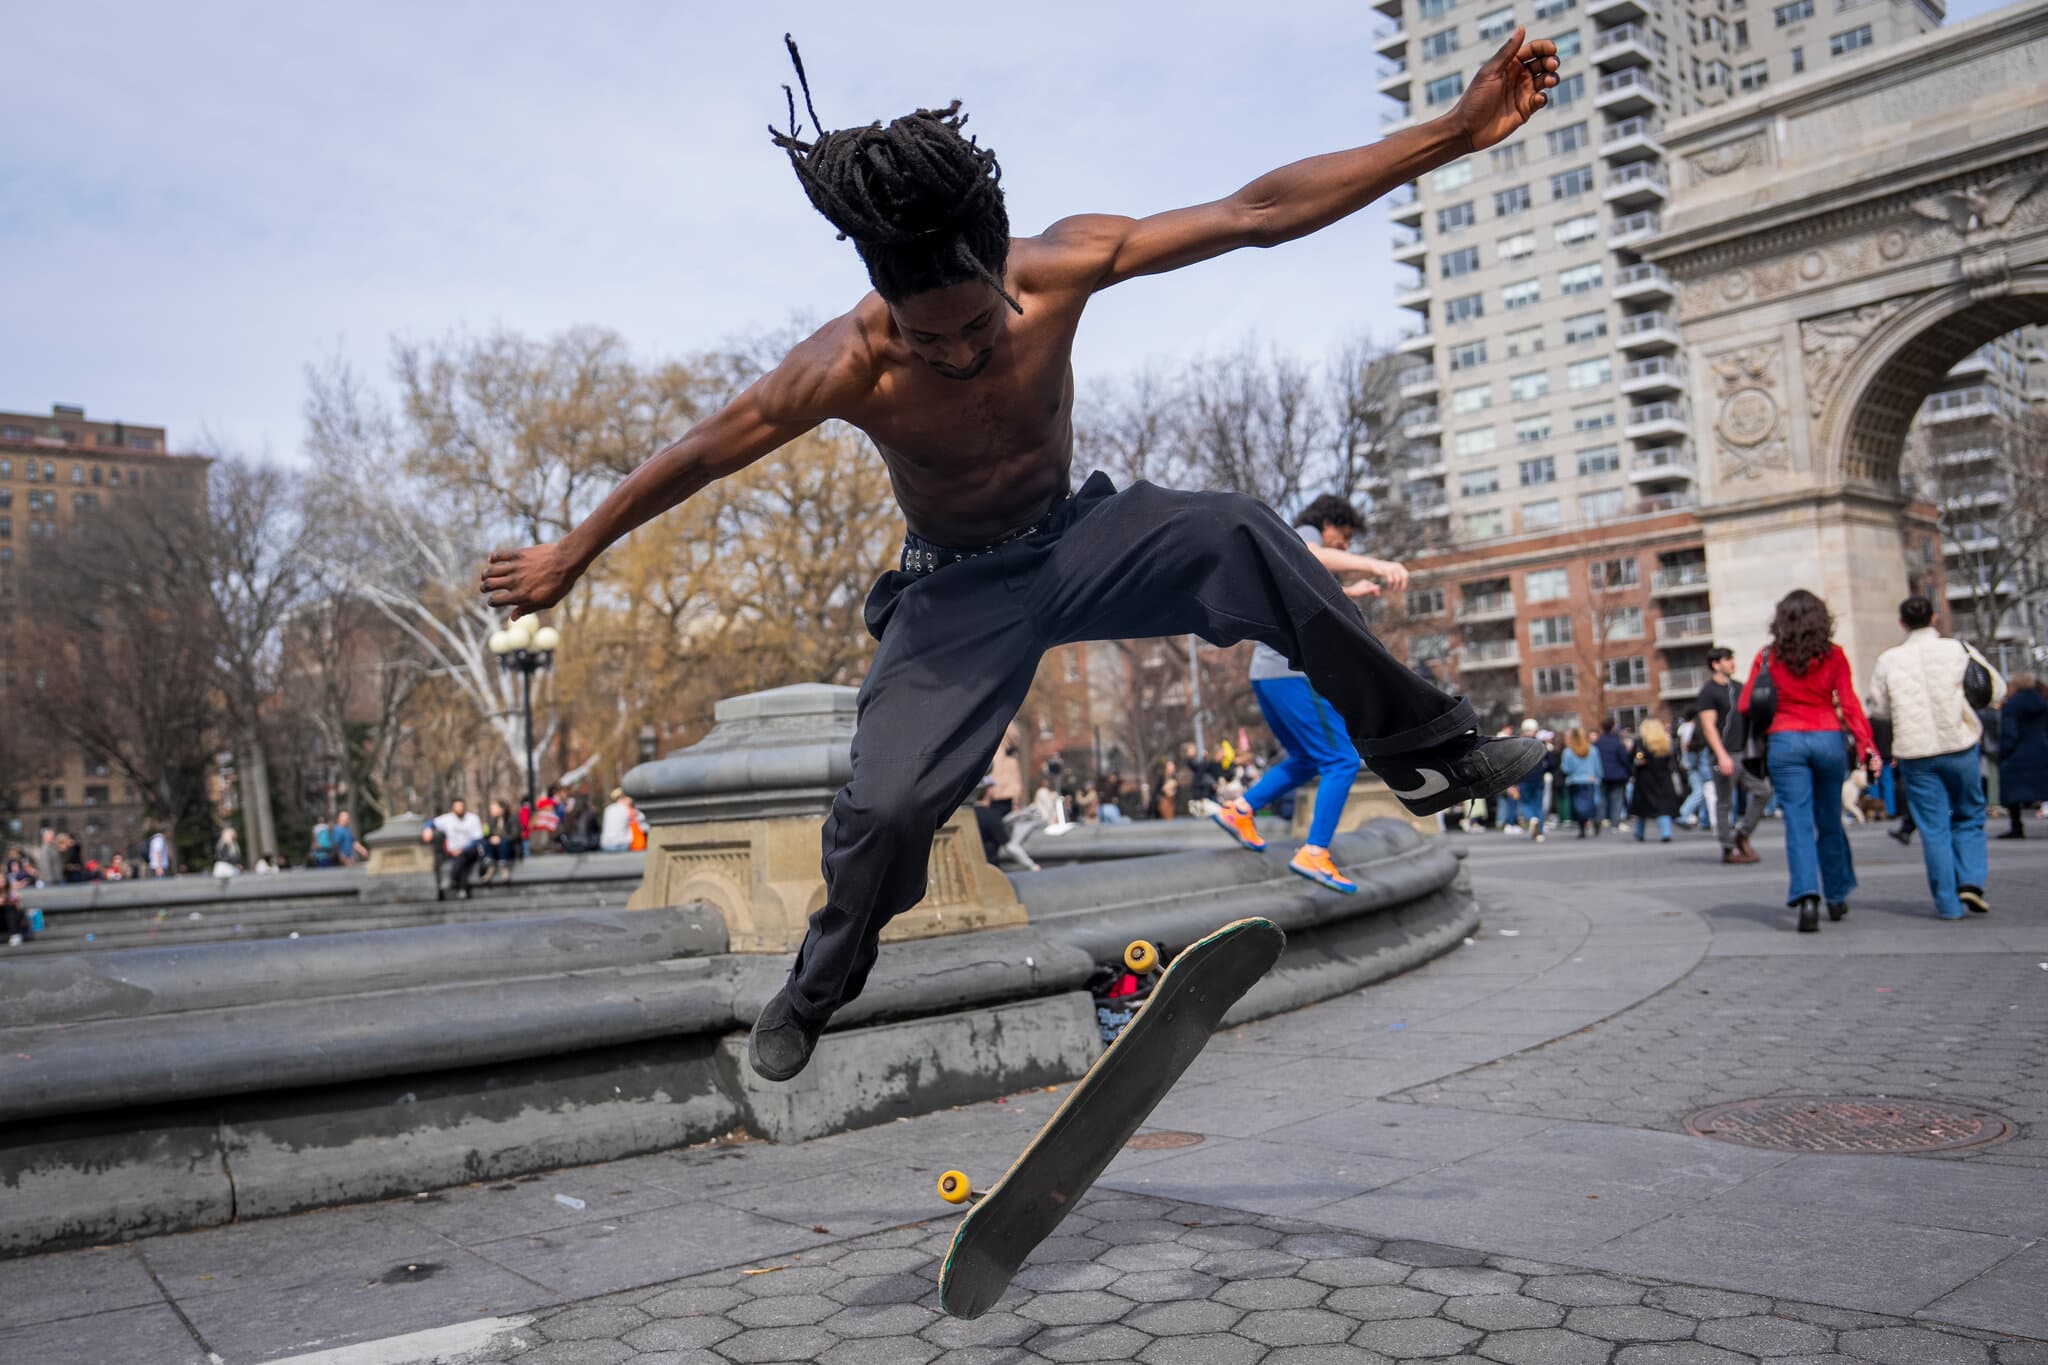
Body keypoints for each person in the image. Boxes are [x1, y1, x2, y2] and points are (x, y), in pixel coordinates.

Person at [479, 32, 1559, 1082]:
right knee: (888, 809)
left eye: (975, 329)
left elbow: (1256, 213)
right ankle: (817, 985)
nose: (954, 354)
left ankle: (1427, 751)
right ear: (887, 311)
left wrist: (1452, 134)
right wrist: (572, 552)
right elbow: (703, 452)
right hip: (953, 593)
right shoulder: (845, 364)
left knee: (1242, 529)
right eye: (927, 339)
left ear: (1002, 273)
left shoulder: (1062, 265)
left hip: (1078, 542)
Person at [1211, 495, 1409, 892]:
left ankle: (1240, 811)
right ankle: (1314, 852)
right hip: (1291, 675)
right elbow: (1313, 554)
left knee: (1305, 759)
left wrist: (1352, 591)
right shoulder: (1303, 534)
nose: (1346, 546)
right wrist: (1376, 564)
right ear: (1327, 524)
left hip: (1267, 675)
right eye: (1345, 537)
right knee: (1341, 759)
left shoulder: (1291, 554)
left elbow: (1303, 596)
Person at [1739, 589, 1879, 933]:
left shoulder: (1768, 656)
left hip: (1785, 740)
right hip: (1827, 738)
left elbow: (1745, 704)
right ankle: (1836, 894)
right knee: (1830, 819)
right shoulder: (1834, 655)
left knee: (1798, 822)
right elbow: (1849, 704)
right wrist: (1867, 747)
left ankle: (1807, 898)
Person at [1868, 595, 2004, 919]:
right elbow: (1995, 688)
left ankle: (1947, 903)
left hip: (1915, 751)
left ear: (1902, 623)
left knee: (1933, 828)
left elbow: (1879, 708)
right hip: (1958, 742)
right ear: (1933, 617)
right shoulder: (1957, 649)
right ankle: (1971, 879)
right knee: (1969, 814)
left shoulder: (1889, 659)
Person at [1696, 646, 1770, 865]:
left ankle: (1743, 834)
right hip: (1724, 754)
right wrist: (1721, 755)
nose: (1732, 663)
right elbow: (1708, 726)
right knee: (1724, 802)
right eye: (1728, 659)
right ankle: (1728, 848)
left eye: (1732, 659)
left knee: (1763, 791)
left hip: (1744, 754)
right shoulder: (1708, 692)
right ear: (1716, 664)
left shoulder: (1739, 688)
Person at [1998, 674, 2048, 839]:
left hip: (2017, 754)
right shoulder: (2042, 703)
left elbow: (2010, 732)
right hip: (2041, 751)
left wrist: (2003, 751)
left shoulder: (2013, 705)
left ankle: (2016, 826)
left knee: (2012, 792)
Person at [1627, 718, 1683, 842]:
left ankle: (1639, 833)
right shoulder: (1665, 742)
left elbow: (1631, 759)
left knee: (1642, 808)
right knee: (1663, 807)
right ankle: (1666, 833)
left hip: (1645, 778)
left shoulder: (1641, 743)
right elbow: (1672, 761)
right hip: (1663, 777)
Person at [422, 798, 486, 898]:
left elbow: (477, 839)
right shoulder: (447, 819)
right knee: (463, 863)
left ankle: (455, 879)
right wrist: (427, 829)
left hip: (471, 851)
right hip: (454, 852)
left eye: (461, 806)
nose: (460, 808)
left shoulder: (473, 818)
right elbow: (431, 822)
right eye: (457, 806)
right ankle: (462, 889)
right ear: (453, 808)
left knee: (462, 857)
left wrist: (462, 850)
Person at [1560, 727, 1602, 838]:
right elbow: (1598, 768)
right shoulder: (1592, 749)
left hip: (1574, 781)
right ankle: (1594, 820)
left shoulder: (1568, 752)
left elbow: (1566, 769)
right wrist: (1598, 778)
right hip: (1590, 780)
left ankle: (1582, 828)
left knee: (1577, 806)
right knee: (1590, 804)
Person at [1594, 719, 1629, 831]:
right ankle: (1615, 823)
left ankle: (1600, 820)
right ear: (1612, 727)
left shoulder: (1598, 743)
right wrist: (1629, 772)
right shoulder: (1617, 742)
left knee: (1602, 799)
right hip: (1617, 775)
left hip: (1602, 775)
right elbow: (1625, 759)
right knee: (1617, 800)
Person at [479, 798, 522, 883]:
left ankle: (504, 867)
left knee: (503, 842)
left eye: (493, 808)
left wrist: (500, 838)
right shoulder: (491, 819)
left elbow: (515, 834)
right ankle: (490, 865)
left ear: (502, 809)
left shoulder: (513, 818)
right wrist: (486, 831)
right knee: (485, 842)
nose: (491, 810)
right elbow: (487, 835)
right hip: (494, 848)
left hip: (509, 847)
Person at [598, 788, 637, 853]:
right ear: (625, 798)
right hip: (623, 845)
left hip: (606, 845)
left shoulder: (608, 809)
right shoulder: (629, 810)